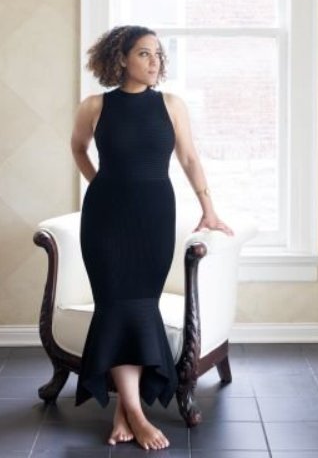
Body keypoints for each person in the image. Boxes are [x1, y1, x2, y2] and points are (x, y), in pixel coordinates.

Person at [71, 24, 233, 450]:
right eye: (144, 53)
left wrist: (209, 209)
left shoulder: (172, 105)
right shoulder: (94, 105)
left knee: (140, 306)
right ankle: (139, 415)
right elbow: (77, 147)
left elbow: (190, 157)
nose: (155, 61)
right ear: (121, 58)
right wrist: (101, 184)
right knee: (115, 305)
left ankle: (123, 411)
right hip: (105, 219)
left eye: (159, 54)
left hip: (154, 218)